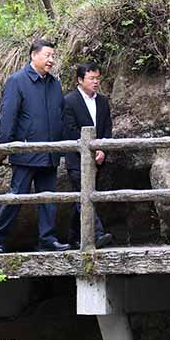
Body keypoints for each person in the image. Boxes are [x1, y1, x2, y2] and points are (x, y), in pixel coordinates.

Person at [0, 39, 70, 253]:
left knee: (49, 198)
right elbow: (8, 115)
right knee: (17, 195)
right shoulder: (17, 81)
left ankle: (47, 238)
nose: (51, 60)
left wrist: (60, 144)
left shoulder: (54, 83)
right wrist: (6, 146)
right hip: (25, 151)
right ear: (33, 55)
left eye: (53, 56)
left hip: (50, 151)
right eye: (47, 55)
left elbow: (60, 115)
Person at [63, 62, 114, 249]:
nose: (96, 82)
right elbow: (70, 130)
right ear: (80, 80)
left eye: (98, 78)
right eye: (91, 78)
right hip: (76, 159)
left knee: (81, 197)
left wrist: (102, 149)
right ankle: (98, 233)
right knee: (85, 194)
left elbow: (107, 127)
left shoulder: (102, 101)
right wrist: (89, 151)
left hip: (97, 158)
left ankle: (73, 237)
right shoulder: (69, 101)